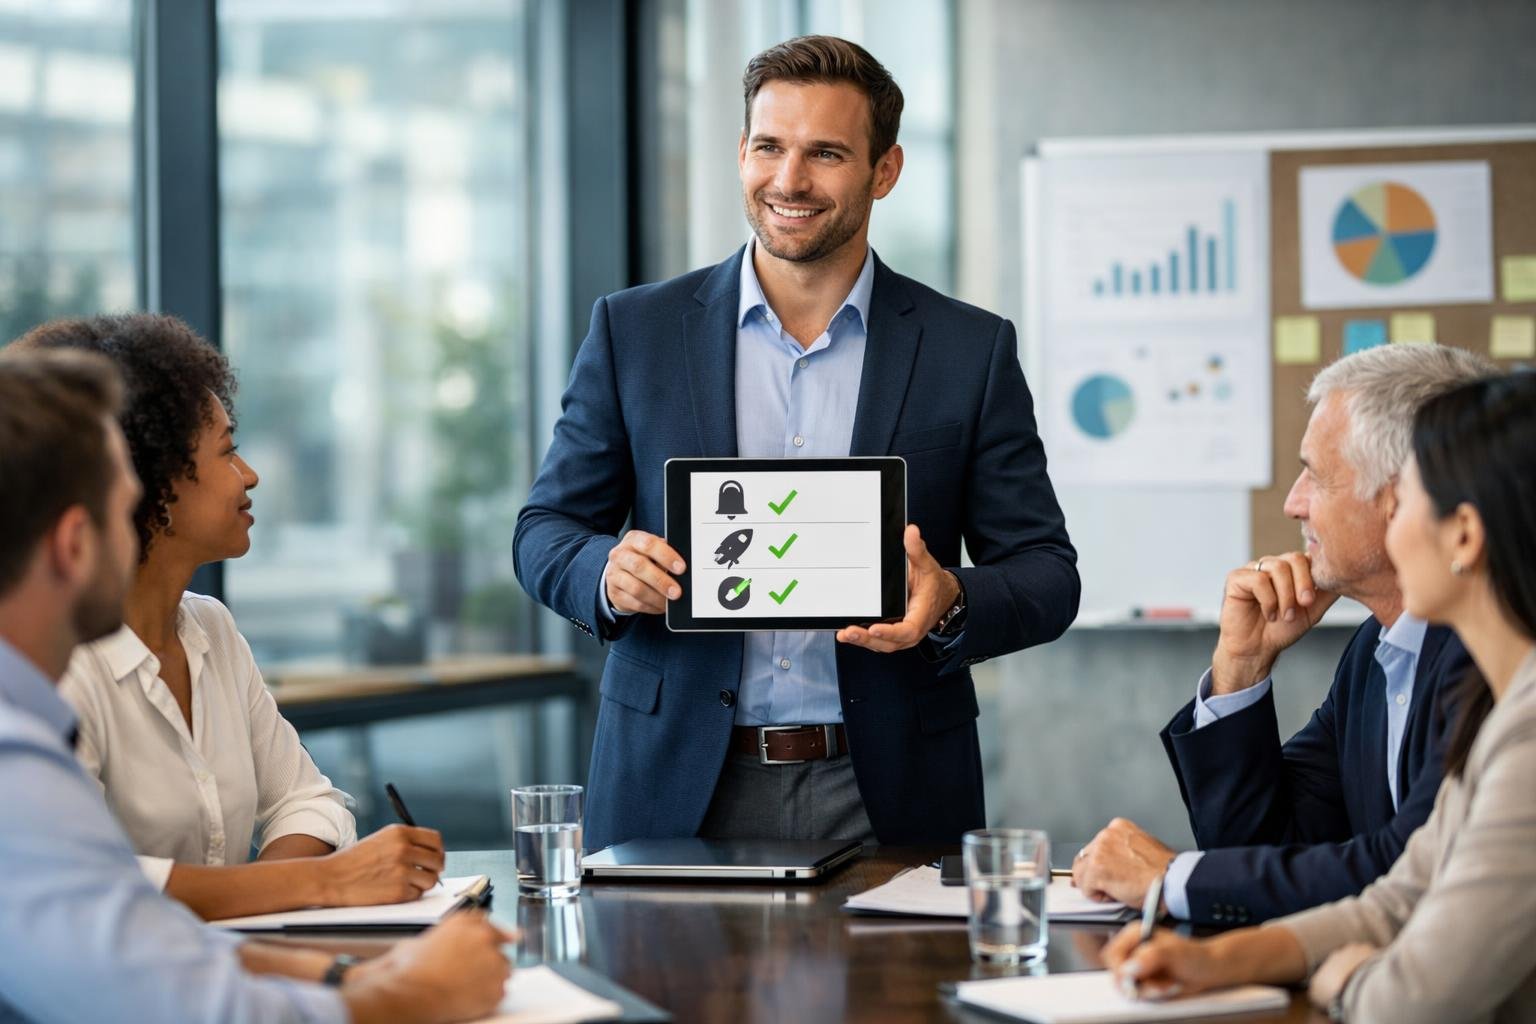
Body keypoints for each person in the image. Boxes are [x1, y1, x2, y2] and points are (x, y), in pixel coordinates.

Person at [515, 35, 1078, 849]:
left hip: (887, 790)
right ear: (742, 151)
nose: (789, 180)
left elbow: (1047, 572)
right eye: (770, 147)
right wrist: (601, 572)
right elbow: (543, 531)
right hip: (676, 785)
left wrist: (952, 599)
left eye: (826, 153)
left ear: (884, 171)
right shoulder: (634, 332)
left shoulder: (968, 351)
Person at [0, 348, 511, 1024]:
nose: (250, 475)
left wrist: (341, 972)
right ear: (75, 542)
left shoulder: (195, 634)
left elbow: (151, 937)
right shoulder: (17, 755)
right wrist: (404, 992)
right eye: (119, 507)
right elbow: (147, 966)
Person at [1106, 370, 1536, 1023]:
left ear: (1465, 535)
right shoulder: (1401, 660)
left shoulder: (1513, 711)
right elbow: (1397, 893)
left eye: (1408, 500)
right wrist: (1218, 962)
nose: (1293, 504)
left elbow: (1408, 998)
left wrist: (1346, 975)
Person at [14, 314, 446, 923]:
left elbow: (307, 801)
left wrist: (282, 895)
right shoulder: (59, 666)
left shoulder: (210, 628)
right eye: (228, 450)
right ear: (153, 486)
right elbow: (94, 887)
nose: (250, 475)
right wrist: (323, 883)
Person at [1073, 344, 1491, 925]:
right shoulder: (1375, 649)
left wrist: (1171, 879)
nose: (1294, 503)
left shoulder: (1491, 654)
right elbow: (1264, 848)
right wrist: (1240, 666)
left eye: (1316, 477)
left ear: (1401, 498)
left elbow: (1410, 873)